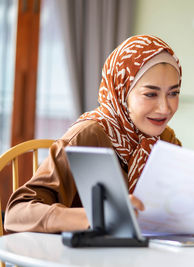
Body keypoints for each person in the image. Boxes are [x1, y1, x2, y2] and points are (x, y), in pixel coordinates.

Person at [4, 35, 182, 233]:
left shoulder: (166, 141)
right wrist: (96, 215)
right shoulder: (87, 135)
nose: (165, 108)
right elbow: (16, 212)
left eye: (173, 93)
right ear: (121, 93)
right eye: (150, 94)